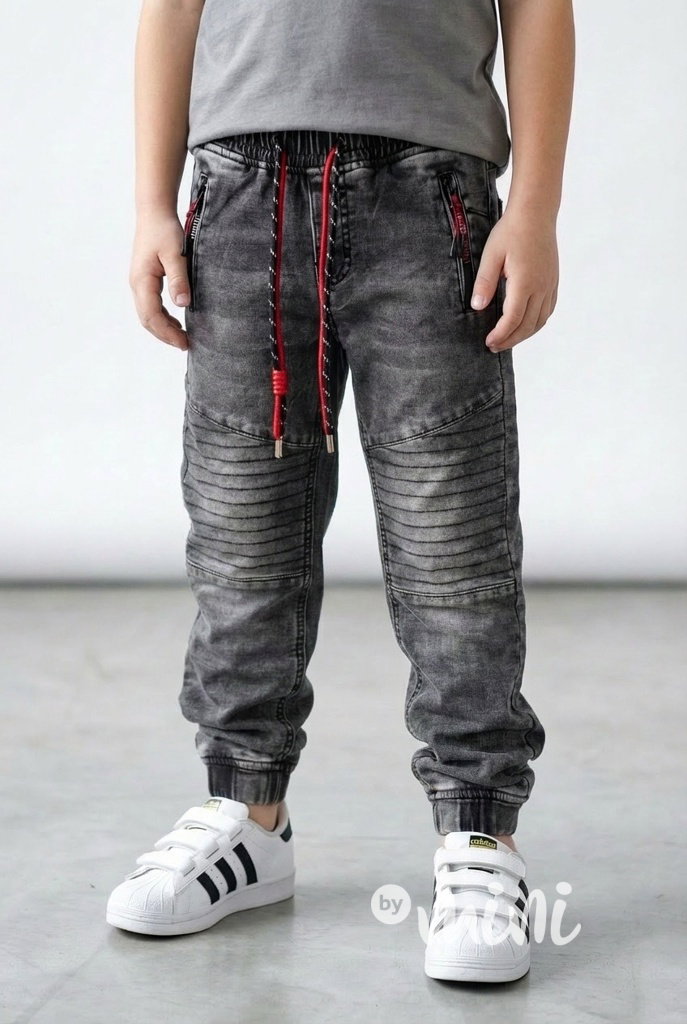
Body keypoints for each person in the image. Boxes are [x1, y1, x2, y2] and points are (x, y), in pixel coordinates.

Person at [107, 0, 574, 984]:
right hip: (238, 194)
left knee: (451, 543)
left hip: (431, 194)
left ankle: (480, 831)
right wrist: (151, 202)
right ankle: (247, 813)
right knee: (242, 535)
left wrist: (534, 208)